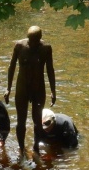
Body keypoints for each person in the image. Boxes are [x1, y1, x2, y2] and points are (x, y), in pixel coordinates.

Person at [4, 25, 56, 153]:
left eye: (35, 41)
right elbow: (11, 67)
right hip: (22, 88)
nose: (32, 43)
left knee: (37, 121)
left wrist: (53, 91)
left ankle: (36, 148)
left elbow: (50, 70)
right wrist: (8, 88)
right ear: (27, 38)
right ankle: (21, 149)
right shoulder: (20, 46)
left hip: (38, 89)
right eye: (30, 40)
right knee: (20, 121)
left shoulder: (46, 49)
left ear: (40, 39)